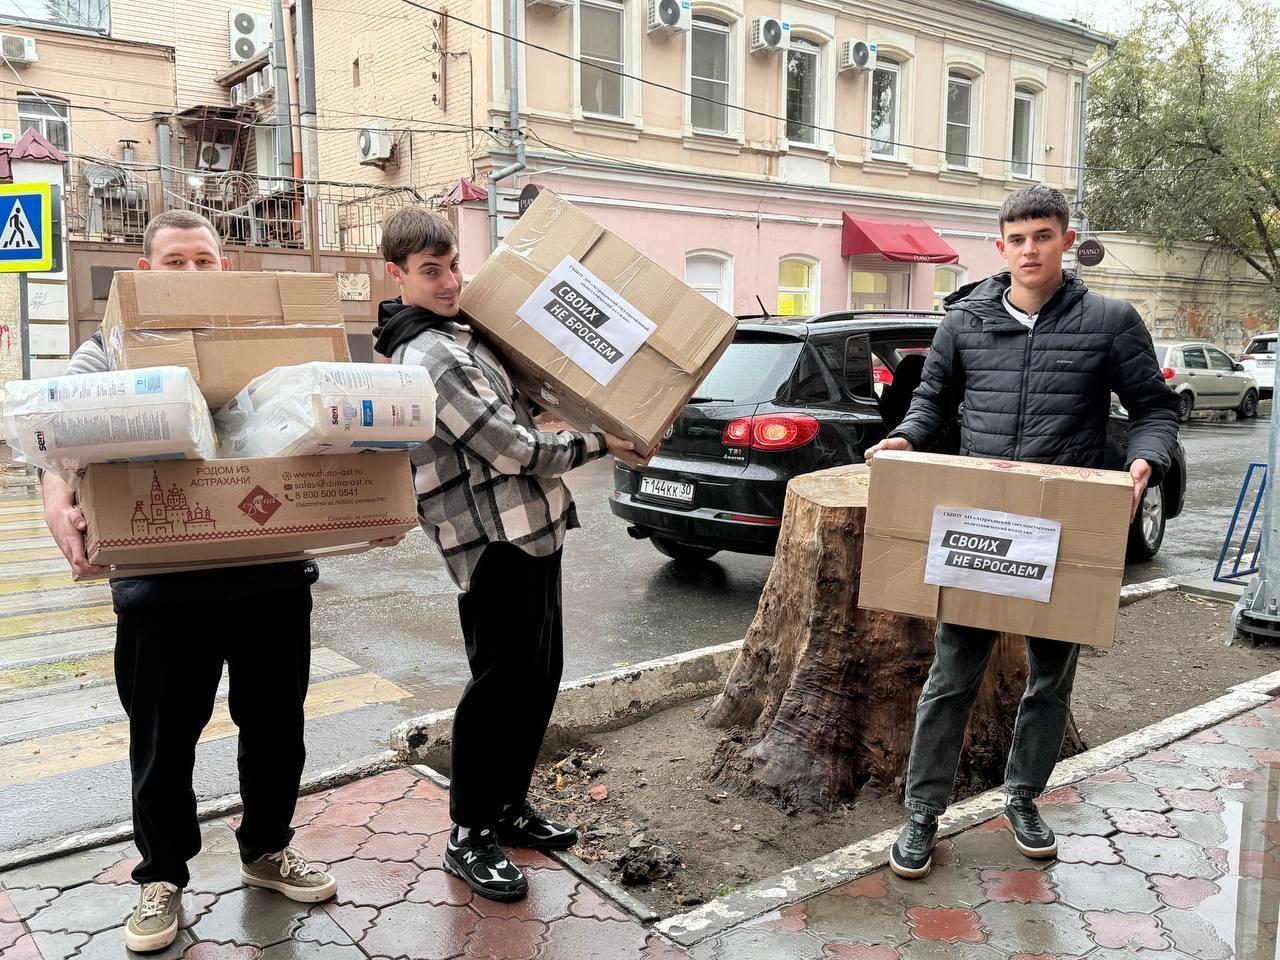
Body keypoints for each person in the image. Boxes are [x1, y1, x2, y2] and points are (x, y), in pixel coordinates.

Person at [41, 210, 346, 952]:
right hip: (163, 584)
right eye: (175, 262)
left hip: (269, 569)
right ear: (145, 274)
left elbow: (328, 423)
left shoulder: (266, 344)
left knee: (277, 726)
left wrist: (369, 502)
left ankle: (267, 848)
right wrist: (57, 501)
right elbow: (58, 432)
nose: (191, 274)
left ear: (224, 270)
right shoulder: (109, 349)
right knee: (163, 741)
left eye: (203, 261)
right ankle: (161, 877)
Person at [865, 185, 1180, 880]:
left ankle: (1023, 798)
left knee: (1049, 678)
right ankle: (923, 814)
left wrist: (1144, 462)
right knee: (952, 675)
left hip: (1064, 525)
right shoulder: (964, 321)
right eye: (1017, 238)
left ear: (1066, 240)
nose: (1029, 249)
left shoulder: (1110, 320)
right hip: (983, 519)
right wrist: (907, 438)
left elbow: (1155, 409)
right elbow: (932, 401)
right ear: (1000, 246)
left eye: (1042, 236)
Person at [372, 207, 639, 902]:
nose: (449, 281)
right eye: (431, 271)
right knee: (497, 689)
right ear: (396, 275)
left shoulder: (461, 337)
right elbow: (514, 448)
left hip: (533, 529)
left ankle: (508, 807)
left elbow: (526, 409)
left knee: (537, 676)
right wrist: (602, 442)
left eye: (453, 266)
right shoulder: (430, 356)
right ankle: (469, 834)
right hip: (492, 542)